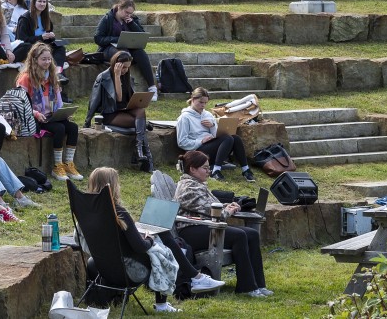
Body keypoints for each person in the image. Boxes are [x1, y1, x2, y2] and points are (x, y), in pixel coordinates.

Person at [87, 167, 225, 312]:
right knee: (163, 249)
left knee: (163, 234)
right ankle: (188, 285)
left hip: (102, 264)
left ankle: (195, 277)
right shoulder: (119, 213)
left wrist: (136, 232)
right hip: (126, 269)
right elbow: (140, 247)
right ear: (113, 186)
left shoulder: (91, 212)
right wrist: (150, 239)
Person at [175, 150, 272, 297]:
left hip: (206, 226)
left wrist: (228, 205)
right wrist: (228, 211)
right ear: (192, 169)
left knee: (251, 234)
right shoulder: (188, 187)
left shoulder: (197, 184)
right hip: (191, 231)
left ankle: (259, 284)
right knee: (238, 235)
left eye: (209, 167)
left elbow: (210, 205)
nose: (208, 171)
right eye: (205, 168)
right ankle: (247, 288)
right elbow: (209, 209)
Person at [16, 43, 80, 181]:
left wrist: (64, 112)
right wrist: (36, 114)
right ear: (35, 60)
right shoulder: (26, 78)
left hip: (51, 115)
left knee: (73, 128)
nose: (47, 62)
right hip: (33, 117)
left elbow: (58, 100)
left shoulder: (52, 76)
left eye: (49, 59)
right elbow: (21, 104)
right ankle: (57, 166)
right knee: (60, 128)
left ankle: (68, 163)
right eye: (43, 59)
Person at [84, 51, 154, 172]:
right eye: (124, 67)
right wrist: (87, 121)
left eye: (128, 67)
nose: (126, 70)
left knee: (140, 111)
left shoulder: (127, 77)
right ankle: (146, 158)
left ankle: (139, 151)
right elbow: (114, 98)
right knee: (139, 124)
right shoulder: (103, 77)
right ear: (117, 64)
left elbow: (127, 99)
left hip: (124, 110)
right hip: (110, 114)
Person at [176, 87, 254, 182]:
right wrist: (200, 141)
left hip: (211, 149)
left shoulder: (207, 115)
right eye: (201, 102)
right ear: (193, 99)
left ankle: (245, 170)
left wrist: (212, 126)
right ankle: (215, 171)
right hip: (197, 151)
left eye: (205, 103)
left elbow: (217, 135)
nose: (203, 105)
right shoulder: (184, 118)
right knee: (228, 139)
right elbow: (182, 142)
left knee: (235, 138)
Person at [94, 0, 158, 100]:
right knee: (124, 54)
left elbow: (141, 34)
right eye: (126, 12)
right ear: (119, 7)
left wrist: (132, 23)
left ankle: (152, 87)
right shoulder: (108, 18)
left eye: (130, 13)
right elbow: (98, 38)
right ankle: (125, 88)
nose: (128, 15)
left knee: (140, 53)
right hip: (109, 49)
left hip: (128, 47)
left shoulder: (132, 19)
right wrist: (116, 39)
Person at [14, 0, 66, 68]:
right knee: (27, 46)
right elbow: (21, 40)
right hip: (30, 47)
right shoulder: (25, 19)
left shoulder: (46, 18)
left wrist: (51, 36)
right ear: (34, 2)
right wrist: (41, 37)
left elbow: (47, 38)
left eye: (44, 2)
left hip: (43, 46)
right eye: (39, 1)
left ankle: (58, 71)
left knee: (60, 47)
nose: (42, 4)